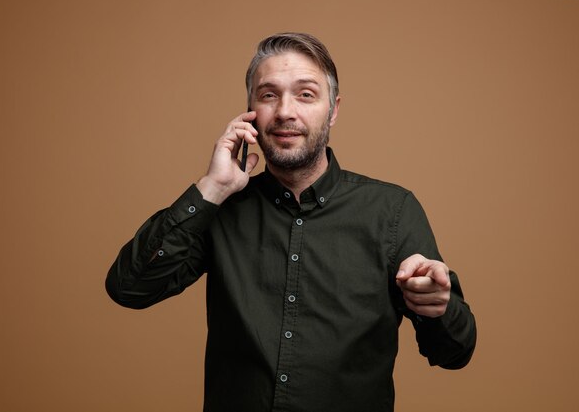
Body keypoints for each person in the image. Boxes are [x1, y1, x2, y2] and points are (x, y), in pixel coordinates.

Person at [106, 32, 476, 412]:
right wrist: (211, 189)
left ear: (333, 110)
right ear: (250, 111)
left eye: (305, 94)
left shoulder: (393, 211)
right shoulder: (220, 207)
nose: (285, 111)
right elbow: (129, 287)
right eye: (268, 95)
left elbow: (454, 352)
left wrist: (437, 308)